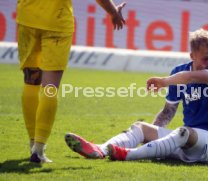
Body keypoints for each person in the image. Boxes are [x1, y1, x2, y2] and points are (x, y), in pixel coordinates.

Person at [65, 28, 208, 164]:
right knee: (141, 127)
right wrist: (151, 136)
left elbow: (192, 77)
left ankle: (127, 155)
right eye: (205, 58)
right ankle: (100, 150)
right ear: (192, 56)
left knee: (183, 132)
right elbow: (168, 111)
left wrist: (163, 81)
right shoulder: (178, 73)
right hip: (185, 145)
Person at [17, 0, 126, 163]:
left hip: (27, 17)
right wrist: (113, 11)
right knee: (50, 87)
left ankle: (33, 142)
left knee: (31, 82)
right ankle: (38, 150)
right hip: (57, 20)